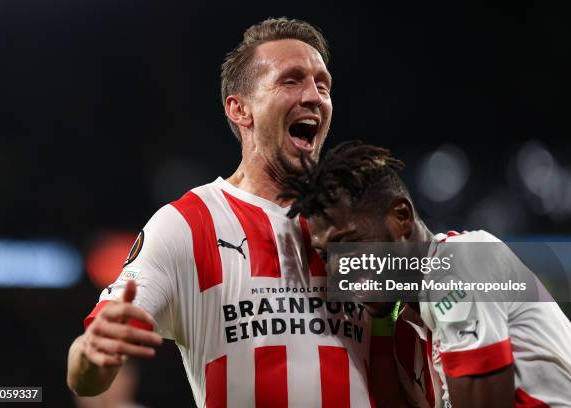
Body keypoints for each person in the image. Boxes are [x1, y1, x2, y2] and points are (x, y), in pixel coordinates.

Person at [67, 18, 399, 407]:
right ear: (240, 109)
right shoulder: (187, 224)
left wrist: (459, 259)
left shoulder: (361, 222)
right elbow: (84, 376)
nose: (314, 96)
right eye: (291, 81)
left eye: (322, 84)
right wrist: (91, 354)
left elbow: (455, 298)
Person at [280, 140, 571, 407]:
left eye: (347, 244)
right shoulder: (407, 331)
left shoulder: (460, 262)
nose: (340, 269)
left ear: (401, 217)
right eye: (325, 256)